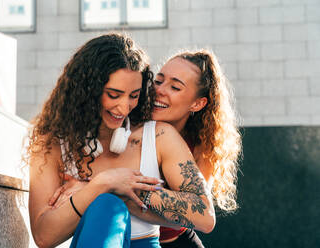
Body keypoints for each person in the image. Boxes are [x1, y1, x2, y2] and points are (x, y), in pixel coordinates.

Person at [26, 33, 215, 248]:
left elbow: (205, 216)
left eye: (134, 96)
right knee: (105, 207)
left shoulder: (159, 136)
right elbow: (44, 237)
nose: (124, 108)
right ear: (88, 91)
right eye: (114, 95)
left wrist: (116, 188)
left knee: (108, 203)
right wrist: (101, 185)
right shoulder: (51, 144)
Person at [152, 50, 241, 247]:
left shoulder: (204, 145)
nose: (159, 90)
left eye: (175, 87)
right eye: (158, 81)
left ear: (197, 103)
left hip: (176, 241)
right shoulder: (130, 127)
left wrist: (139, 198)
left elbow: (198, 215)